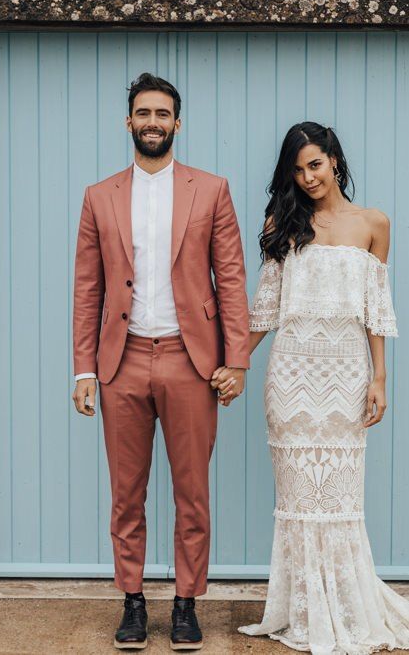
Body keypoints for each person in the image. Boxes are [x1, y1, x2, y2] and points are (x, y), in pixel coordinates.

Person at [212, 122, 408, 654]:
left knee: (342, 499)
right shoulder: (285, 223)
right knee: (298, 501)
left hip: (347, 377)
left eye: (315, 165)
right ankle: (303, 609)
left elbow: (377, 311)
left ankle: (345, 605)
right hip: (291, 379)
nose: (308, 177)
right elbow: (266, 310)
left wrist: (380, 379)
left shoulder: (374, 224)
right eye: (297, 170)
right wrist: (236, 364)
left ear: (335, 160)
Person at [71, 72, 250, 651]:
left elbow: (232, 279)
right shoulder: (100, 196)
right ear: (129, 122)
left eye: (163, 113)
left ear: (178, 122)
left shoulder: (212, 190)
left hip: (188, 361)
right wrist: (83, 369)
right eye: (143, 113)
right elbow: (87, 289)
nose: (153, 122)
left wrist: (237, 359)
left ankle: (186, 606)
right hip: (120, 365)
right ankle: (131, 601)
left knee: (191, 492)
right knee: (127, 494)